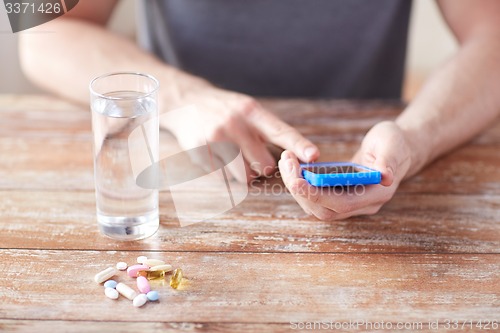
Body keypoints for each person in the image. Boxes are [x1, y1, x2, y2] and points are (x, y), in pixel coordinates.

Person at [19, 0, 500, 220]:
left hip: (381, 191)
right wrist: (183, 98)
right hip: (186, 183)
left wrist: (415, 139)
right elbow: (36, 26)